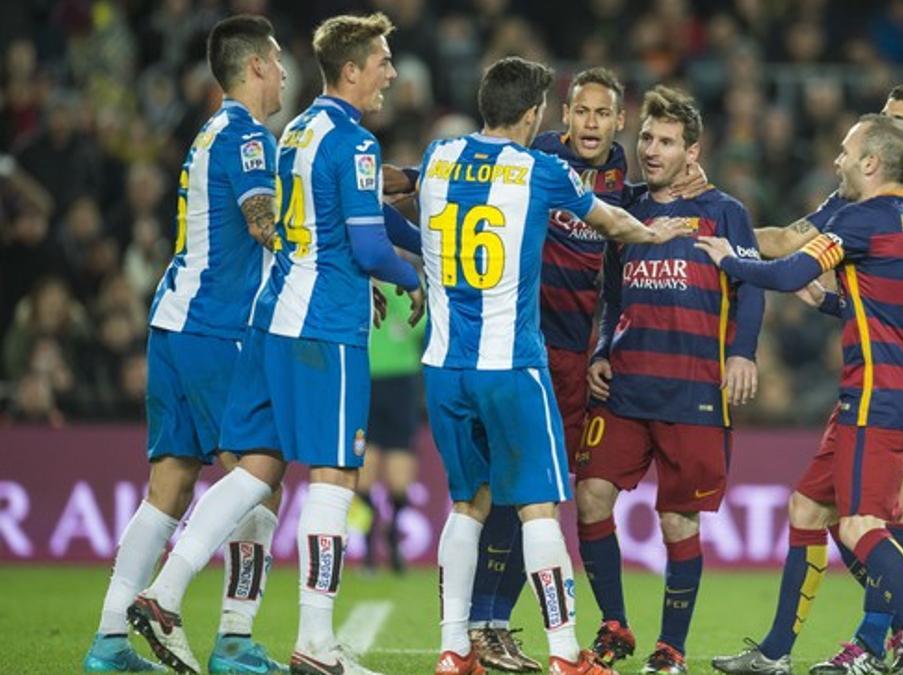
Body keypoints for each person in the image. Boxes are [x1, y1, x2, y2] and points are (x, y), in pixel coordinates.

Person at [127, 14, 423, 675]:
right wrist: (414, 273)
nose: (391, 72)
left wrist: (410, 239)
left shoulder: (295, 132)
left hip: (270, 318)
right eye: (381, 60)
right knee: (333, 476)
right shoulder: (355, 142)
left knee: (256, 468)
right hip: (325, 327)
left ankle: (163, 592)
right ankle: (317, 640)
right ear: (351, 69)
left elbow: (347, 220)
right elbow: (370, 240)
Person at [417, 56, 691, 675]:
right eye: (580, 111)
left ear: (617, 120)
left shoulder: (443, 155)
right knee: (536, 502)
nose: (591, 123)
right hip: (521, 356)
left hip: (463, 361)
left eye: (604, 114)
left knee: (477, 500)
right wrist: (655, 232)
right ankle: (552, 649)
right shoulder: (543, 164)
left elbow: (417, 190)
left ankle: (459, 643)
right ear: (549, 115)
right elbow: (618, 224)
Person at [699, 114, 903, 675]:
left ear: (871, 162)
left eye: (846, 152)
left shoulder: (861, 218)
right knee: (807, 508)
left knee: (860, 525)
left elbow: (791, 267)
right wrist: (821, 301)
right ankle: (774, 653)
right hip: (901, 388)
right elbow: (882, 310)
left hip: (878, 395)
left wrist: (729, 259)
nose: (838, 161)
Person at [82, 15, 288, 674]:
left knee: (167, 487)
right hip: (218, 328)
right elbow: (264, 224)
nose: (284, 73)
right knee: (262, 474)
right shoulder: (250, 137)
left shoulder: (211, 131)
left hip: (173, 322)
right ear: (254, 65)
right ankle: (232, 637)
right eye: (278, 61)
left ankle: (109, 641)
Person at [575, 85, 765, 674]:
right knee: (589, 497)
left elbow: (752, 283)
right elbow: (611, 293)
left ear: (693, 149)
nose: (652, 150)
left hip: (693, 391)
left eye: (666, 142)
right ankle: (613, 625)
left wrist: (742, 354)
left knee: (676, 519)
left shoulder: (727, 211)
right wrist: (602, 350)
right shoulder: (625, 207)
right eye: (647, 138)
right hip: (626, 385)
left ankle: (671, 648)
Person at [355, 285, 426, 574]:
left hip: (401, 382)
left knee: (399, 469)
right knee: (363, 470)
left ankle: (392, 533)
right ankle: (372, 537)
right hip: (365, 379)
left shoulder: (407, 286)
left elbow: (421, 329)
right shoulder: (360, 284)